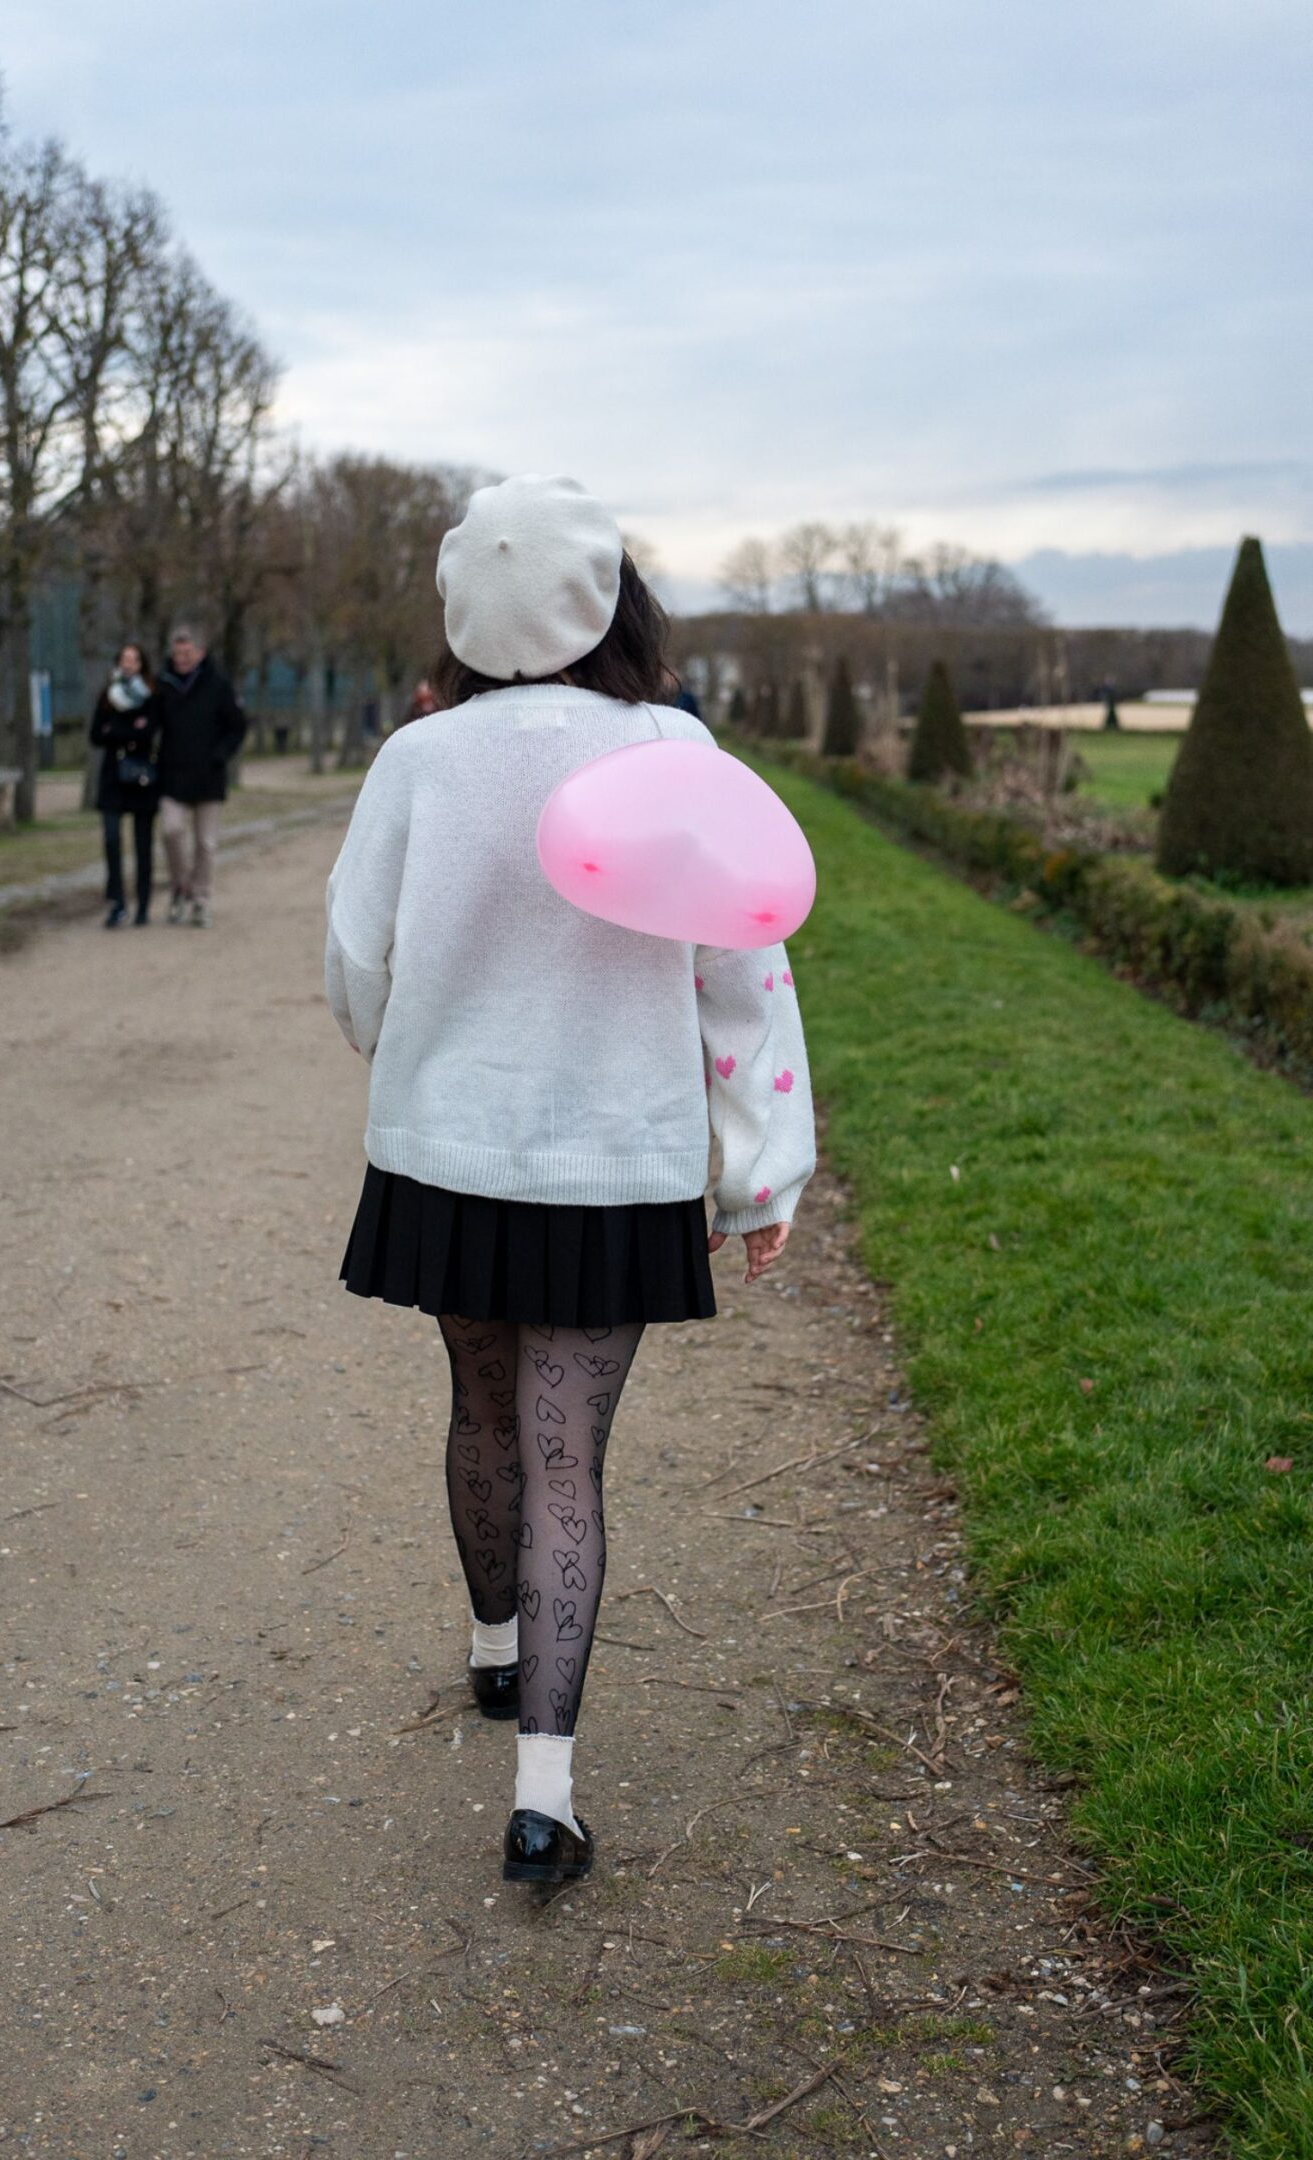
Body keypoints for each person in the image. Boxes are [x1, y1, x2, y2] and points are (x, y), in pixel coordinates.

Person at [325, 476, 816, 1886]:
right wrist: (762, 1175)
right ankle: (545, 1799)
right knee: (565, 1460)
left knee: (480, 1408)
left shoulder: (418, 759)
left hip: (450, 1151)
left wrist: (398, 1044)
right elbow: (743, 970)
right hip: (615, 1158)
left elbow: (357, 965)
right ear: (614, 602)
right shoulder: (675, 748)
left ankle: (492, 1651)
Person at [156, 621, 247, 926]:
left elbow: (237, 726)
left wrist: (220, 755)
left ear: (200, 652)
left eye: (187, 653)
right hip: (173, 775)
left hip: (209, 776)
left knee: (206, 843)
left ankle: (201, 899)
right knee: (171, 831)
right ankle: (181, 886)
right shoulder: (164, 684)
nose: (181, 659)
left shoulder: (218, 684)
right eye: (177, 653)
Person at [90, 642, 160, 928]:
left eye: (134, 660)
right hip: (112, 778)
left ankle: (143, 902)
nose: (129, 664)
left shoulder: (152, 696)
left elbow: (148, 734)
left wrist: (117, 732)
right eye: (124, 659)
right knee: (111, 839)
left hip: (141, 777)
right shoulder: (108, 696)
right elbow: (96, 735)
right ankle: (117, 900)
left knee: (143, 843)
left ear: (142, 664)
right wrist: (130, 732)